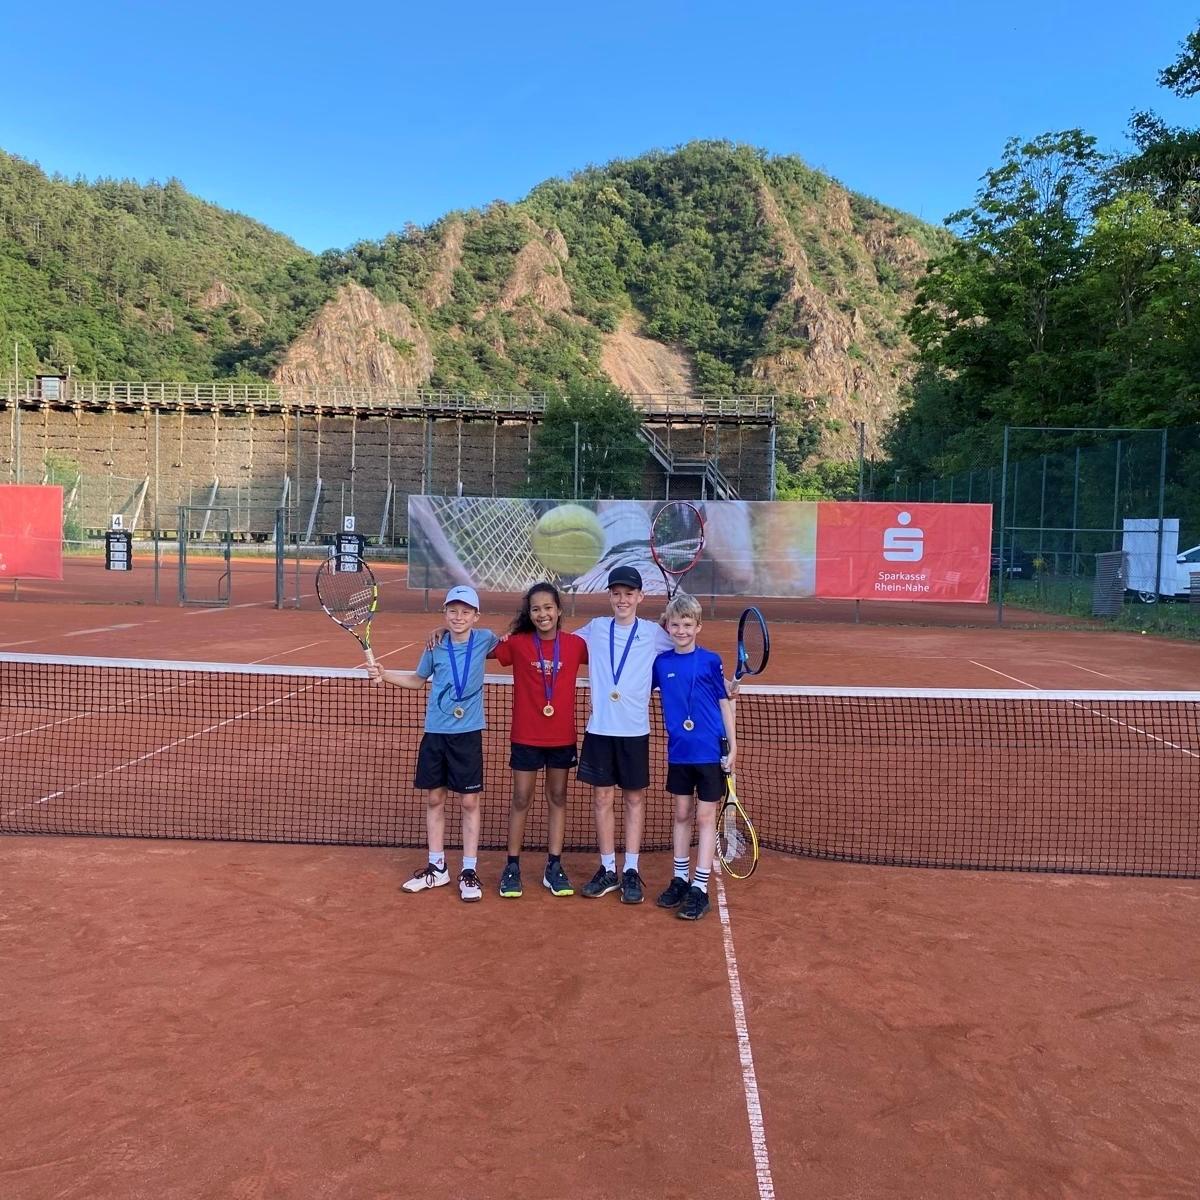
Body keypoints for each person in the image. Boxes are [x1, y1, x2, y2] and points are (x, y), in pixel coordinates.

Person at [367, 585, 500, 902]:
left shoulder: (485, 639)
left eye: (465, 611)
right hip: (436, 733)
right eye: (452, 611)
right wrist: (385, 674)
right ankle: (437, 868)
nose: (458, 617)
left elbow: (516, 642)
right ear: (445, 613)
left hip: (467, 735)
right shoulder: (435, 646)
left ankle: (469, 871)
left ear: (476, 616)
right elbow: (417, 680)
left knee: (469, 803)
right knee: (435, 799)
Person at [575, 565, 674, 904]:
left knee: (634, 800)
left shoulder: (653, 633)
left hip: (634, 731)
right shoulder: (595, 628)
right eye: (616, 593)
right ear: (609, 596)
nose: (622, 599)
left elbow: (684, 643)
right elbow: (557, 643)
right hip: (601, 729)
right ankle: (608, 868)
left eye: (629, 594)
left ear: (640, 597)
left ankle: (631, 869)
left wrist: (672, 619)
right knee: (603, 799)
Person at [492, 583, 588, 899]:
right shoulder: (517, 644)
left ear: (559, 610)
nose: (542, 614)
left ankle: (554, 865)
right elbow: (476, 645)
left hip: (561, 738)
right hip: (526, 736)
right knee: (521, 798)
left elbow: (616, 650)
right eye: (536, 609)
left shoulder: (576, 645)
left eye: (548, 607)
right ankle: (512, 866)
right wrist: (442, 630)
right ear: (529, 613)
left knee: (557, 797)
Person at [651, 593, 738, 921]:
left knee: (704, 817)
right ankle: (679, 879)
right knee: (682, 813)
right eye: (675, 625)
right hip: (679, 753)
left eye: (688, 625)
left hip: (709, 752)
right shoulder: (661, 664)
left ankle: (699, 888)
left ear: (698, 626)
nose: (682, 631)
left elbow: (724, 703)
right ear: (668, 627)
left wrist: (733, 747)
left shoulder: (711, 661)